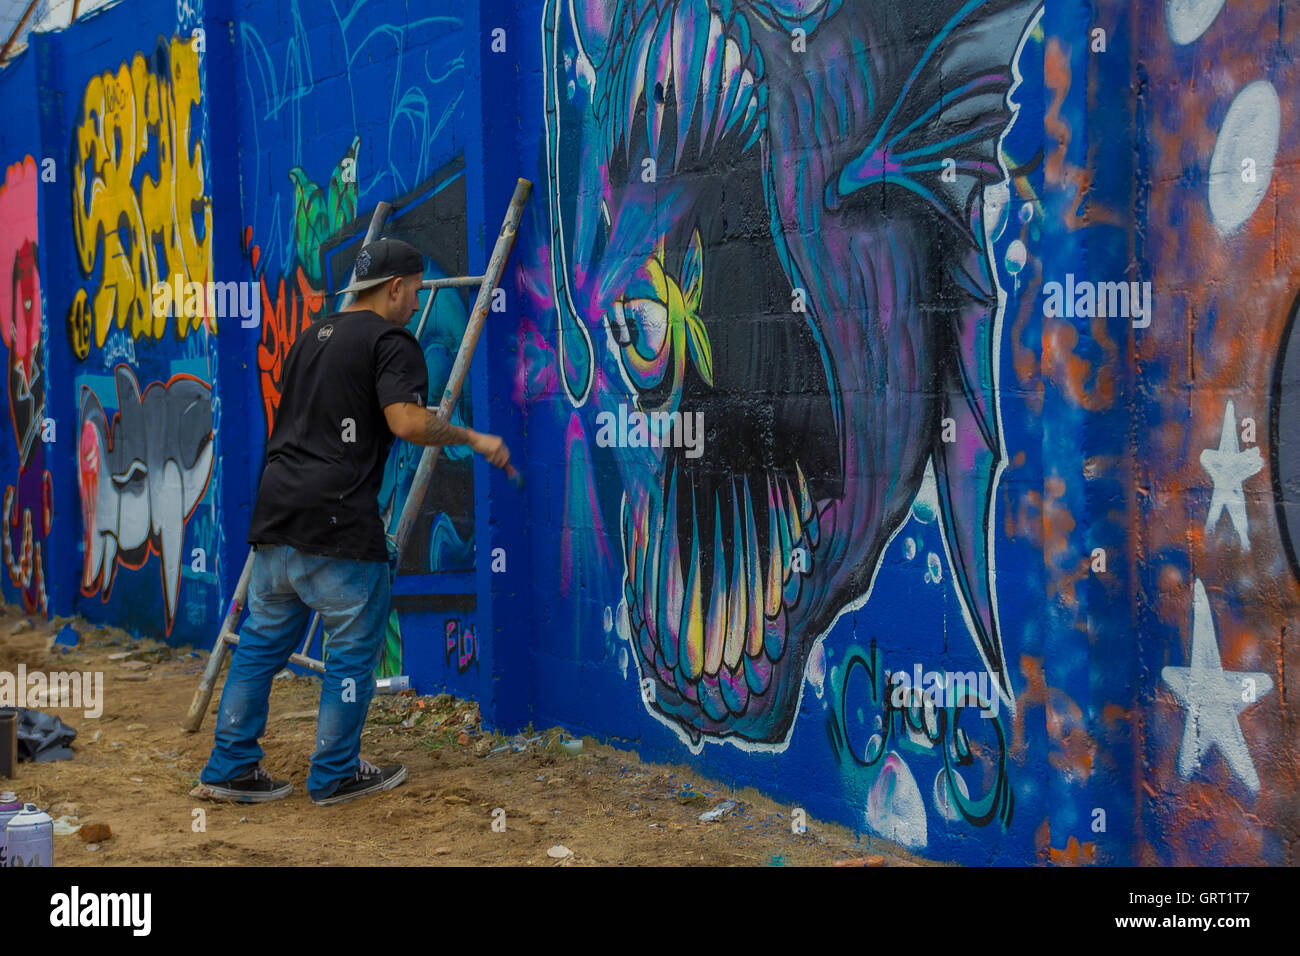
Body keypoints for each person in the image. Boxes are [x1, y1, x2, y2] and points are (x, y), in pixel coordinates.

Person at [198, 237, 509, 806]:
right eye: (414, 293)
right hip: (338, 523)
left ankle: (229, 767)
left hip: (276, 517)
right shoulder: (392, 341)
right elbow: (408, 423)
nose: (416, 304)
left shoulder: (309, 337)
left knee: (259, 648)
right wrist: (470, 436)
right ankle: (335, 772)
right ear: (394, 289)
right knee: (351, 652)